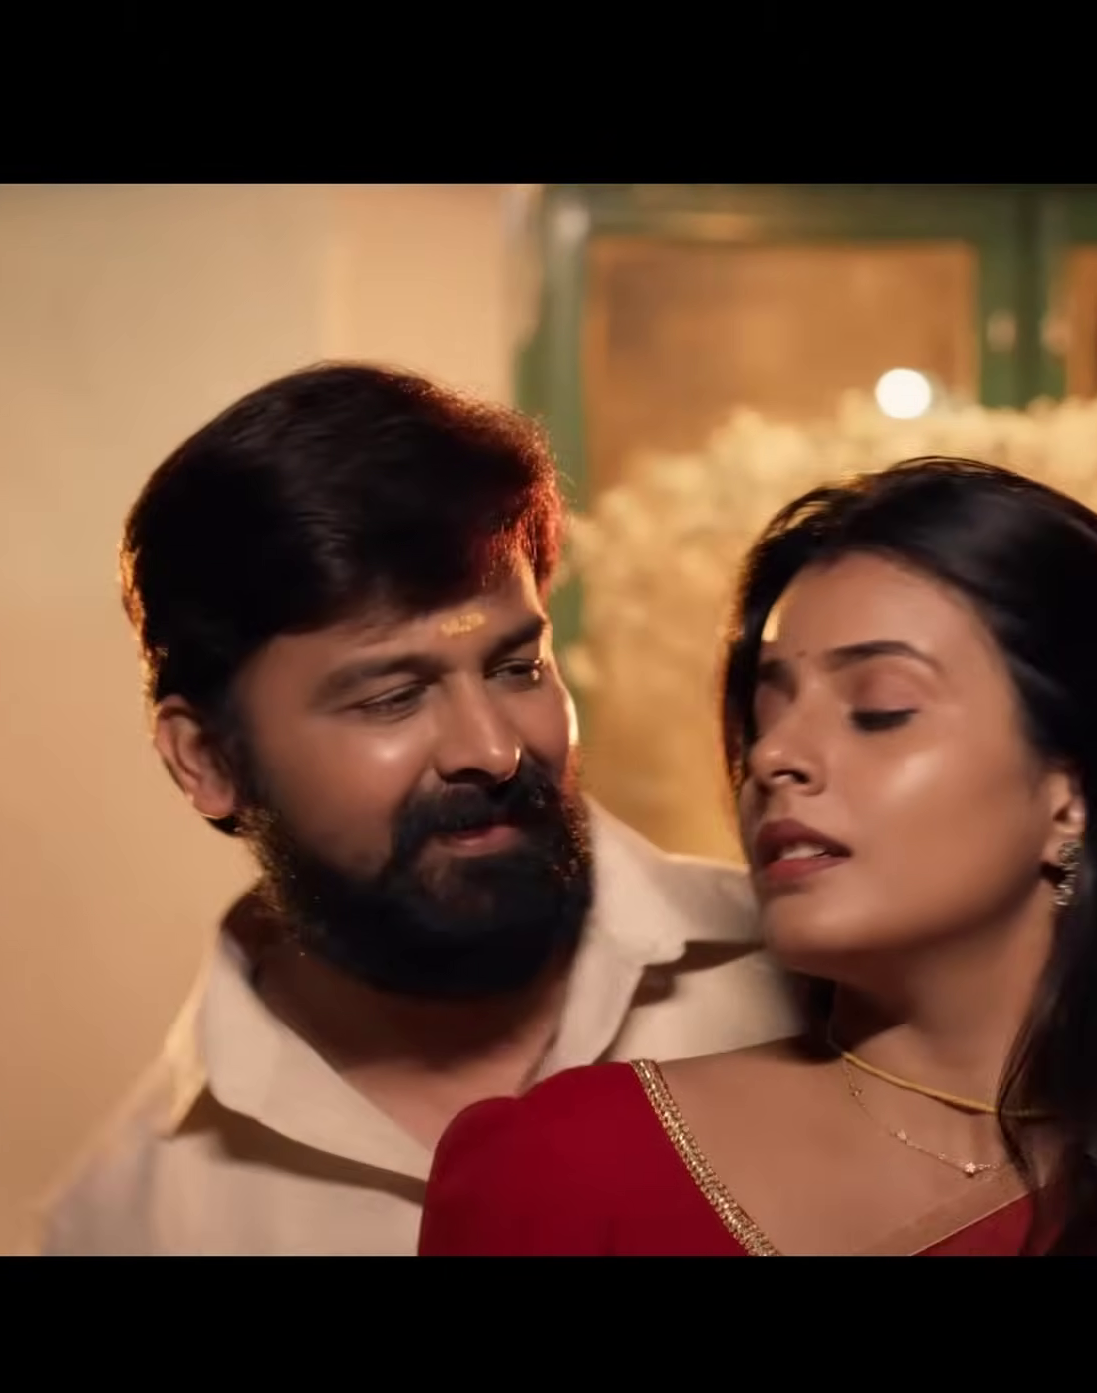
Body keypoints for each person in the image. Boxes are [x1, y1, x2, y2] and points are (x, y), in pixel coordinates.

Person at [417, 458, 1097, 1256]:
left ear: (1070, 790)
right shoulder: (573, 1174)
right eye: (768, 710)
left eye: (880, 708)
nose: (778, 758)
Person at [39, 363, 797, 1255]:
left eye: (518, 668)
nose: (492, 749)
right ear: (206, 760)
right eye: (392, 697)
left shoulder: (824, 992)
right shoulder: (131, 1223)